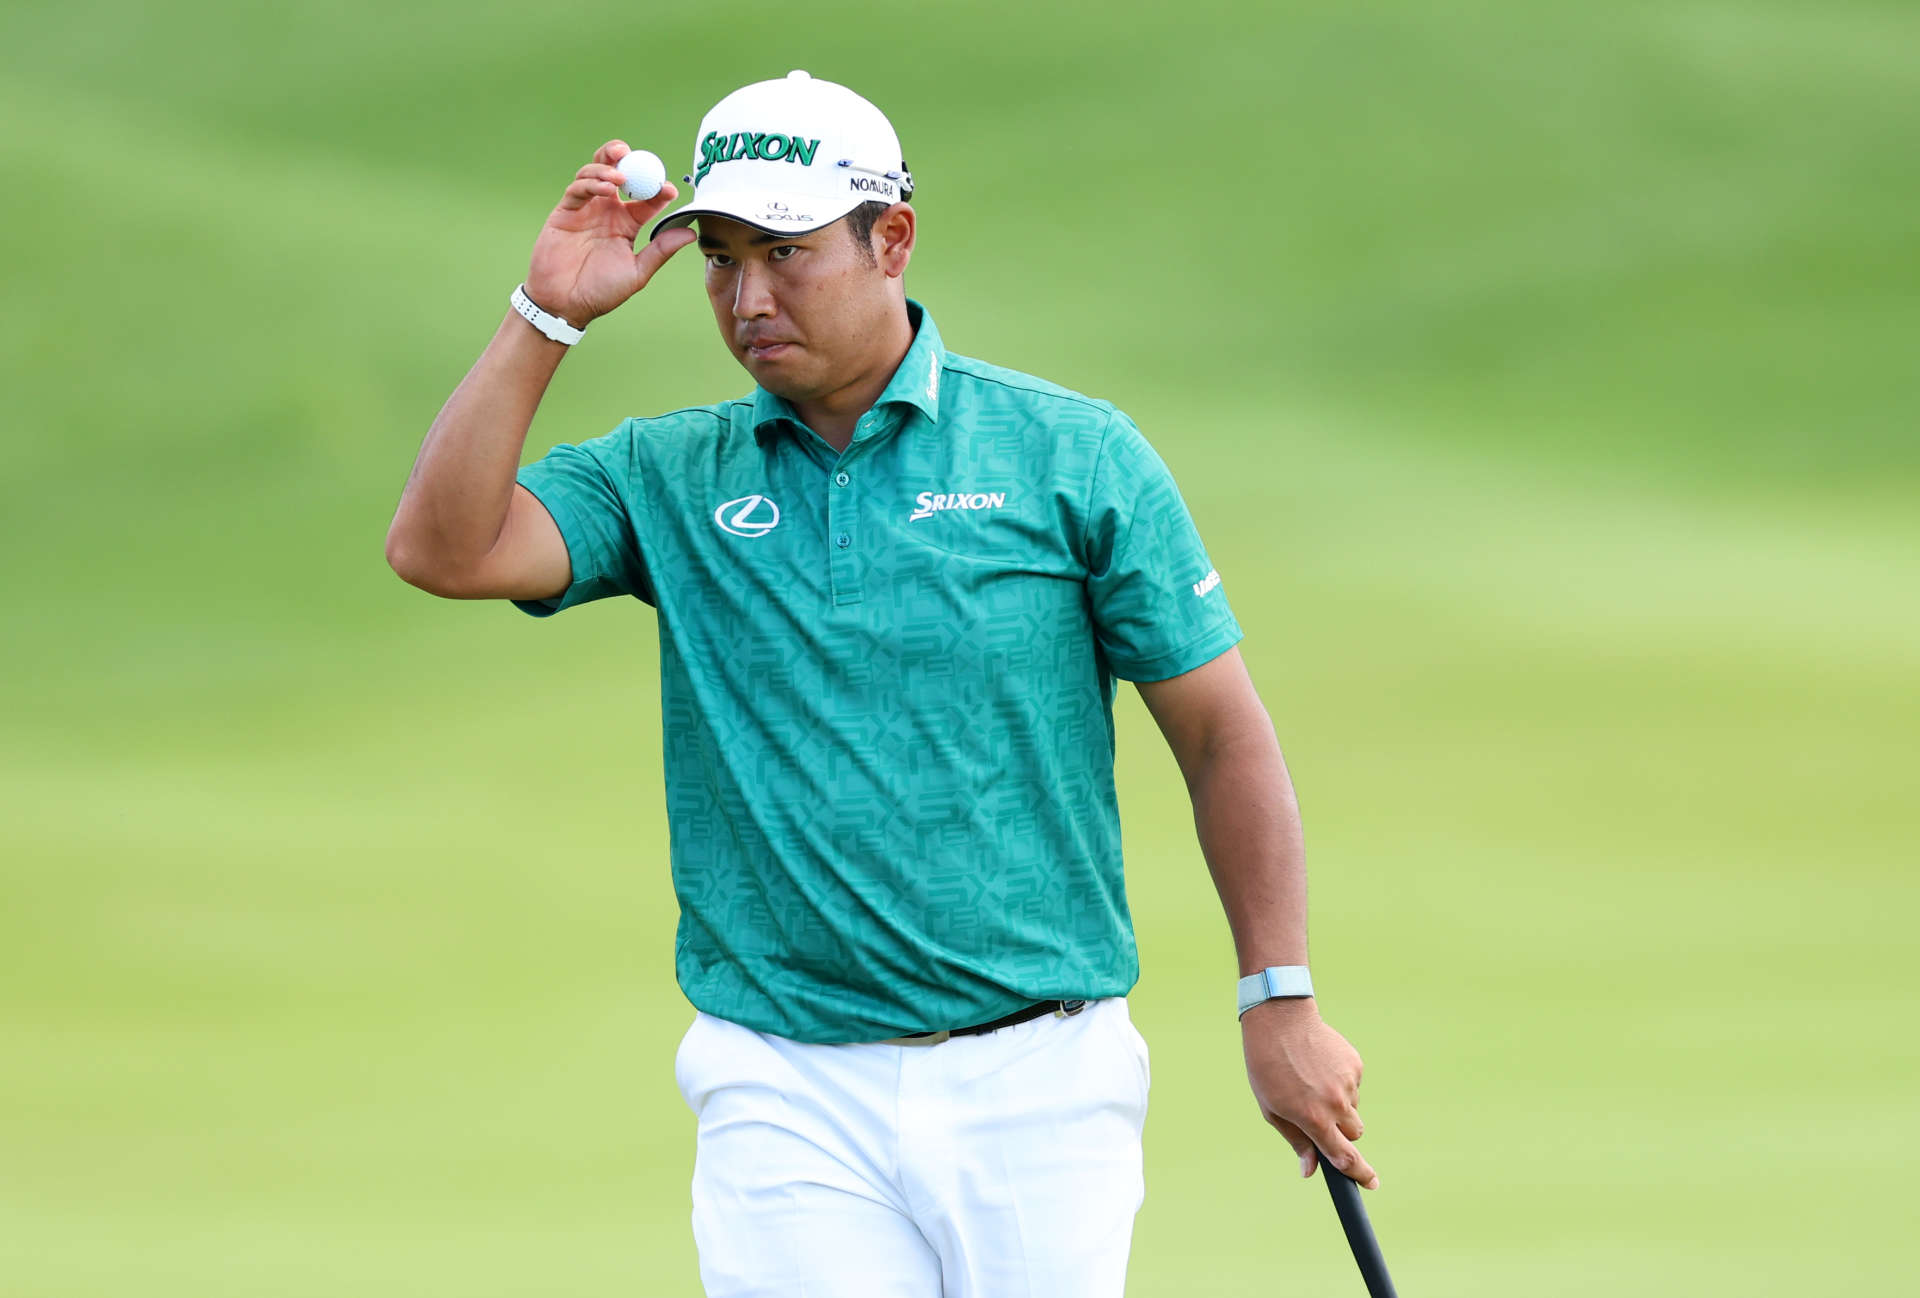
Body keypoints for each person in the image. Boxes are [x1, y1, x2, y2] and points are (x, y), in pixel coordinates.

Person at [386, 70, 1375, 1298]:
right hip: (783, 1079)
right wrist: (545, 312)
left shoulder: (1071, 455)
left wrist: (1277, 997)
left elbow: (1223, 733)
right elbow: (443, 548)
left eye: (786, 253)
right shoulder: (669, 472)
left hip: (1041, 1078)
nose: (747, 297)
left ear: (890, 238)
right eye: (722, 259)